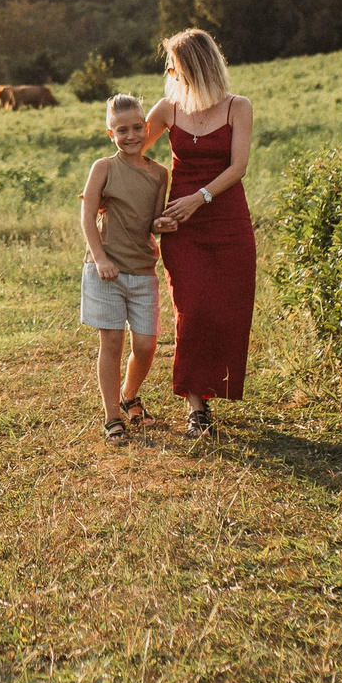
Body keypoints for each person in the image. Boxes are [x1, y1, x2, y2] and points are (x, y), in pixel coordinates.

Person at [142, 27, 255, 436]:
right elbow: (132, 154)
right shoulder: (167, 108)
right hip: (181, 226)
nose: (170, 73)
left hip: (227, 222)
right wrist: (134, 202)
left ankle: (212, 391)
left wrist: (199, 198)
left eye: (175, 66)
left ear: (196, 67)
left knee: (226, 313)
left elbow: (237, 168)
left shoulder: (237, 107)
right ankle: (196, 407)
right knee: (193, 311)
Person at [76, 92, 167, 443]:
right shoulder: (103, 168)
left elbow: (155, 222)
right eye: (121, 130)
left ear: (147, 127)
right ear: (110, 134)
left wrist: (165, 225)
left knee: (146, 345)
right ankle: (112, 416)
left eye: (137, 128)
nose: (131, 136)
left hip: (143, 270)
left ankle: (130, 395)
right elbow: (87, 216)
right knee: (111, 342)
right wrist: (100, 258)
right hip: (105, 271)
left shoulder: (160, 174)